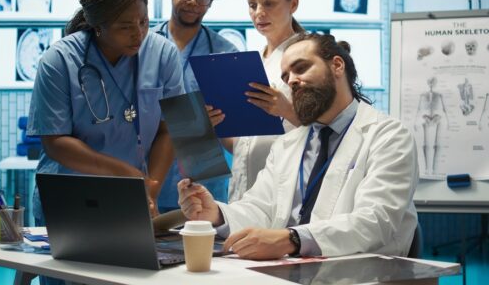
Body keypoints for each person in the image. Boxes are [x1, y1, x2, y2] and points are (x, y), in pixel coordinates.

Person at [179, 33, 418, 259]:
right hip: (292, 270)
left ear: (337, 65)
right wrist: (218, 215)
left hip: (362, 274)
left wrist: (291, 239)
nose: (291, 80)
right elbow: (261, 208)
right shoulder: (288, 143)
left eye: (301, 68)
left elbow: (375, 221)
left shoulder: (388, 136)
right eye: (285, 76)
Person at [28, 0, 184, 227]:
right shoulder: (59, 61)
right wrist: (123, 172)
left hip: (129, 197)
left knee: (133, 266)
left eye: (143, 22)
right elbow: (55, 141)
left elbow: (168, 130)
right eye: (125, 26)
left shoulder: (163, 54)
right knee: (68, 266)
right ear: (97, 26)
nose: (138, 34)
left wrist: (148, 190)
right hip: (70, 196)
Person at [209, 0, 305, 203]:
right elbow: (243, 148)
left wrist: (286, 111)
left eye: (268, 3)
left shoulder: (310, 55)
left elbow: (332, 130)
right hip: (244, 192)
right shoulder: (253, 62)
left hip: (289, 190)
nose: (259, 13)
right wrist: (218, 126)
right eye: (252, 5)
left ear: (293, 3)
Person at [154, 0, 238, 211]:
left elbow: (234, 125)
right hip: (150, 177)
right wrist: (196, 118)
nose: (193, 2)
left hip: (204, 184)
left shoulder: (224, 54)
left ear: (211, 1)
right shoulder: (143, 47)